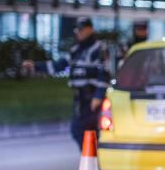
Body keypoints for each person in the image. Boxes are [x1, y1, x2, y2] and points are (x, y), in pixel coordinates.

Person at [26, 17, 111, 149]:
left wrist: (98, 96)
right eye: (77, 30)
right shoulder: (75, 50)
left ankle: (93, 162)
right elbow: (58, 66)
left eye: (81, 30)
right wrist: (35, 66)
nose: (78, 33)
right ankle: (91, 161)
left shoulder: (99, 49)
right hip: (80, 99)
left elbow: (104, 73)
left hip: (91, 98)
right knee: (80, 132)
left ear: (90, 30)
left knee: (86, 131)